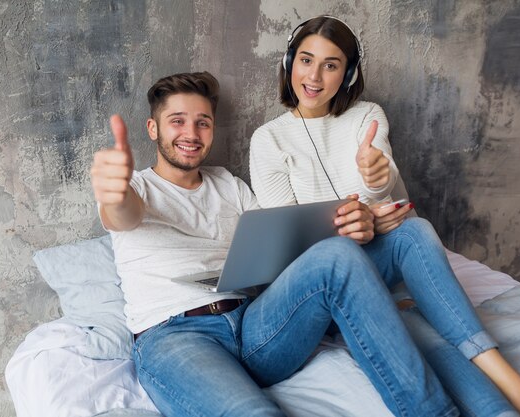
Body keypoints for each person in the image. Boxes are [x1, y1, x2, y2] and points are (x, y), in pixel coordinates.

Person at [90, 71, 459, 417]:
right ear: (153, 129)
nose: (192, 132)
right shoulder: (134, 188)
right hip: (177, 337)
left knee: (337, 254)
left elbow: (283, 250)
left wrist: (352, 224)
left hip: (255, 325)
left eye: (203, 122)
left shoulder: (229, 185)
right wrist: (115, 191)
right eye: (178, 121)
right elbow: (122, 213)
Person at [249, 15, 520, 417]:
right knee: (423, 337)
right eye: (305, 60)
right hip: (323, 284)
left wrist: (375, 178)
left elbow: (392, 200)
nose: (314, 76)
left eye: (331, 64)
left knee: (415, 232)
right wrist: (362, 224)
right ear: (288, 63)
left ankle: (511, 387)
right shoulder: (268, 139)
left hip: (375, 264)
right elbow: (290, 247)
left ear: (348, 74)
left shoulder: (367, 115)